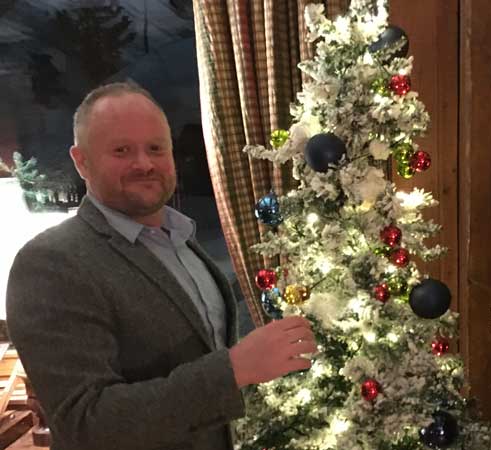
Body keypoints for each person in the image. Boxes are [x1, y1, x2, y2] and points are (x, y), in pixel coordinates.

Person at [6, 82, 317, 450]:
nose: (144, 163)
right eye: (121, 150)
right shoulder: (49, 264)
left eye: (156, 148)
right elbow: (86, 422)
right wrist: (234, 369)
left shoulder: (182, 239)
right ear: (82, 161)